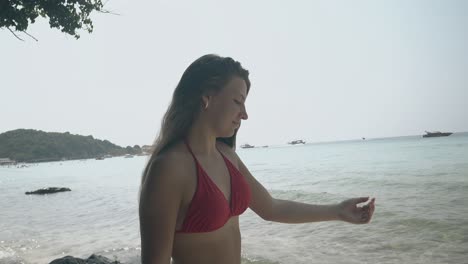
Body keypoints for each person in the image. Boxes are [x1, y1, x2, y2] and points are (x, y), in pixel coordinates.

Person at [138, 54, 376, 264]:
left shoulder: (227, 156)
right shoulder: (170, 168)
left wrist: (337, 212)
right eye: (237, 101)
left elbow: (271, 208)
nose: (245, 114)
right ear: (207, 97)